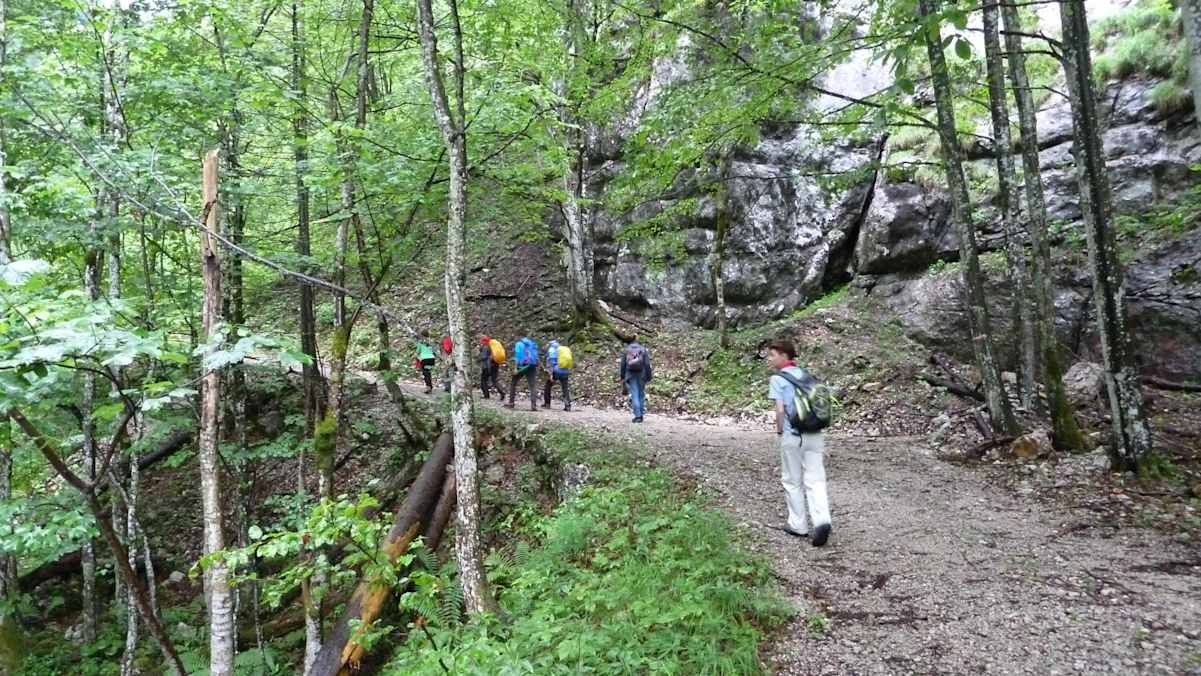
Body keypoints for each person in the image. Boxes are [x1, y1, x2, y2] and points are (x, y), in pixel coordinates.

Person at [767, 339, 832, 548]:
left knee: (792, 480)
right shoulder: (805, 375)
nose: (769, 358)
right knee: (816, 479)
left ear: (784, 356)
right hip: (814, 433)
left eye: (772, 354)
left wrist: (779, 431)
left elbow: (779, 410)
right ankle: (822, 521)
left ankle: (798, 525)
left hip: (792, 434)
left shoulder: (777, 379)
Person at [619, 337, 652, 423]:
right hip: (642, 374)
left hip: (630, 375)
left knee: (634, 394)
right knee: (641, 394)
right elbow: (647, 364)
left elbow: (623, 364)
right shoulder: (643, 349)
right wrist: (649, 376)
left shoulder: (627, 350)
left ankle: (637, 416)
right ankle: (641, 414)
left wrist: (622, 376)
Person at [505, 336, 539, 411]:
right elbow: (536, 356)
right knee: (532, 385)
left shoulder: (519, 344)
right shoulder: (532, 343)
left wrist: (515, 368)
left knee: (513, 383)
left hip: (522, 366)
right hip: (531, 365)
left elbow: (518, 356)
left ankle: (511, 403)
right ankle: (533, 405)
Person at [543, 340, 572, 411]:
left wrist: (550, 375)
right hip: (565, 371)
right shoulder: (563, 349)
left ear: (550, 344)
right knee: (565, 388)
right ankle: (567, 405)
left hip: (556, 371)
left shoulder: (551, 350)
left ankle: (547, 404)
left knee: (548, 385)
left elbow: (550, 363)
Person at [478, 335, 506, 399]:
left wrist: (478, 358)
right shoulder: (492, 346)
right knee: (494, 380)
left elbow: (484, 357)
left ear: (484, 341)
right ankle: (502, 392)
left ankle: (486, 395)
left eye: (482, 341)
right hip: (495, 364)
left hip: (487, 367)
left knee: (483, 381)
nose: (481, 342)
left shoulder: (485, 347)